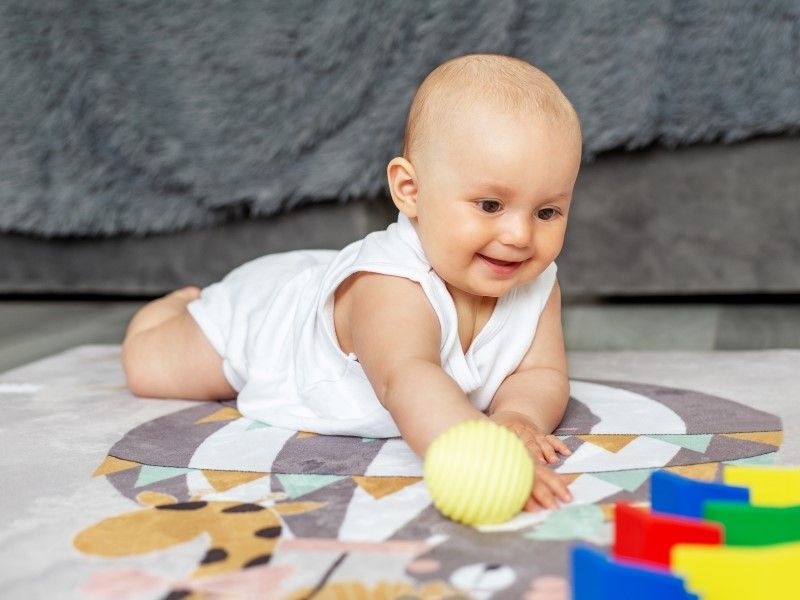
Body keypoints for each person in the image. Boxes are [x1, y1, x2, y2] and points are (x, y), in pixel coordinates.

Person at [122, 53, 582, 511]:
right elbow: (408, 377)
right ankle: (170, 308)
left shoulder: (538, 283)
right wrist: (478, 452)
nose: (520, 236)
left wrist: (518, 416)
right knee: (150, 369)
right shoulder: (389, 286)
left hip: (324, 280)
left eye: (547, 212)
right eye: (489, 205)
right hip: (271, 322)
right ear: (410, 191)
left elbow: (539, 372)